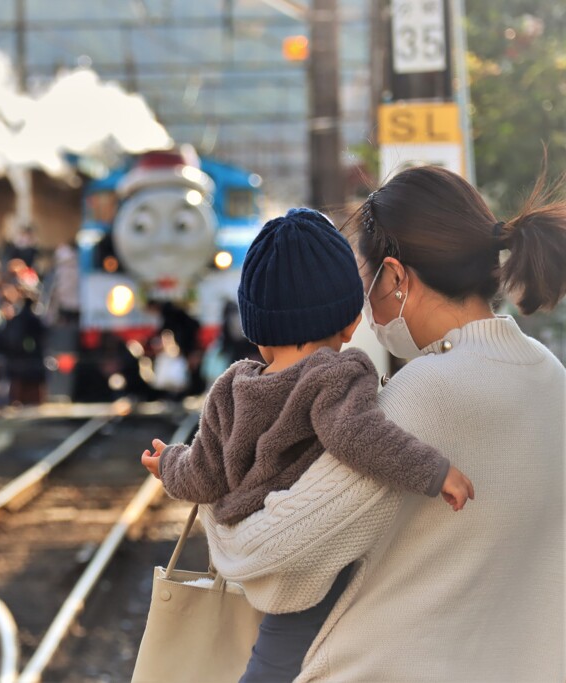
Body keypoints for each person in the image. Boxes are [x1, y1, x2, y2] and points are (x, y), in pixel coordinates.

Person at [153, 166, 565, 681]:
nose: (365, 312)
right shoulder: (551, 376)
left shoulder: (424, 395)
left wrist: (217, 493)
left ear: (394, 277)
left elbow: (269, 562)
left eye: (367, 284)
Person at [141, 208, 475, 681]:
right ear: (347, 324)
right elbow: (361, 437)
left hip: (248, 556)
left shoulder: (231, 386)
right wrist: (435, 471)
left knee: (272, 648)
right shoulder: (333, 376)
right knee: (282, 661)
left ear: (256, 331)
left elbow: (202, 474)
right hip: (310, 566)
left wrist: (166, 463)